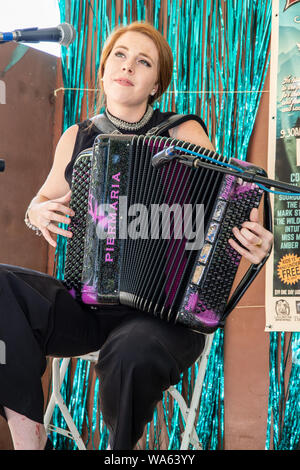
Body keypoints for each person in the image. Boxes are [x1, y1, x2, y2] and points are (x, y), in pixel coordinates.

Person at [0, 21, 273, 451]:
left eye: (143, 62)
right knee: (1, 286)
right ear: (103, 67)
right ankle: (28, 441)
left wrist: (259, 242)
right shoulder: (77, 137)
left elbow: (234, 199)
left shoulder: (183, 132)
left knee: (130, 353)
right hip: (88, 306)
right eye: (120, 56)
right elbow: (44, 200)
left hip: (165, 315)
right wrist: (37, 212)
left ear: (155, 84)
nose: (128, 66)